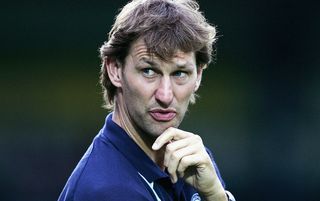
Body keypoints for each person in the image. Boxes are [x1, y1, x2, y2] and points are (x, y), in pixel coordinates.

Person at [58, 0, 235, 200]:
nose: (165, 95)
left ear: (199, 76)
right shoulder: (107, 192)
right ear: (115, 70)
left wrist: (216, 195)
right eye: (148, 71)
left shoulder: (194, 162)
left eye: (180, 73)